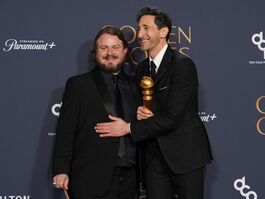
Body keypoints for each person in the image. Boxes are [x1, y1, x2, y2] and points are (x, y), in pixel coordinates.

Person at [95, 7, 213, 199]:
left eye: (146, 28)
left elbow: (173, 116)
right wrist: (141, 112)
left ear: (163, 32)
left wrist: (129, 128)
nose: (140, 34)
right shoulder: (142, 68)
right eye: (139, 29)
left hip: (185, 156)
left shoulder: (183, 65)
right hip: (153, 158)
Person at [52, 26, 140, 199]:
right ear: (95, 52)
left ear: (124, 51)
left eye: (115, 47)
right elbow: (66, 131)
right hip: (91, 178)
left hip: (130, 178)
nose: (109, 53)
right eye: (103, 48)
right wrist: (61, 170)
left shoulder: (136, 86)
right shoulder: (79, 85)